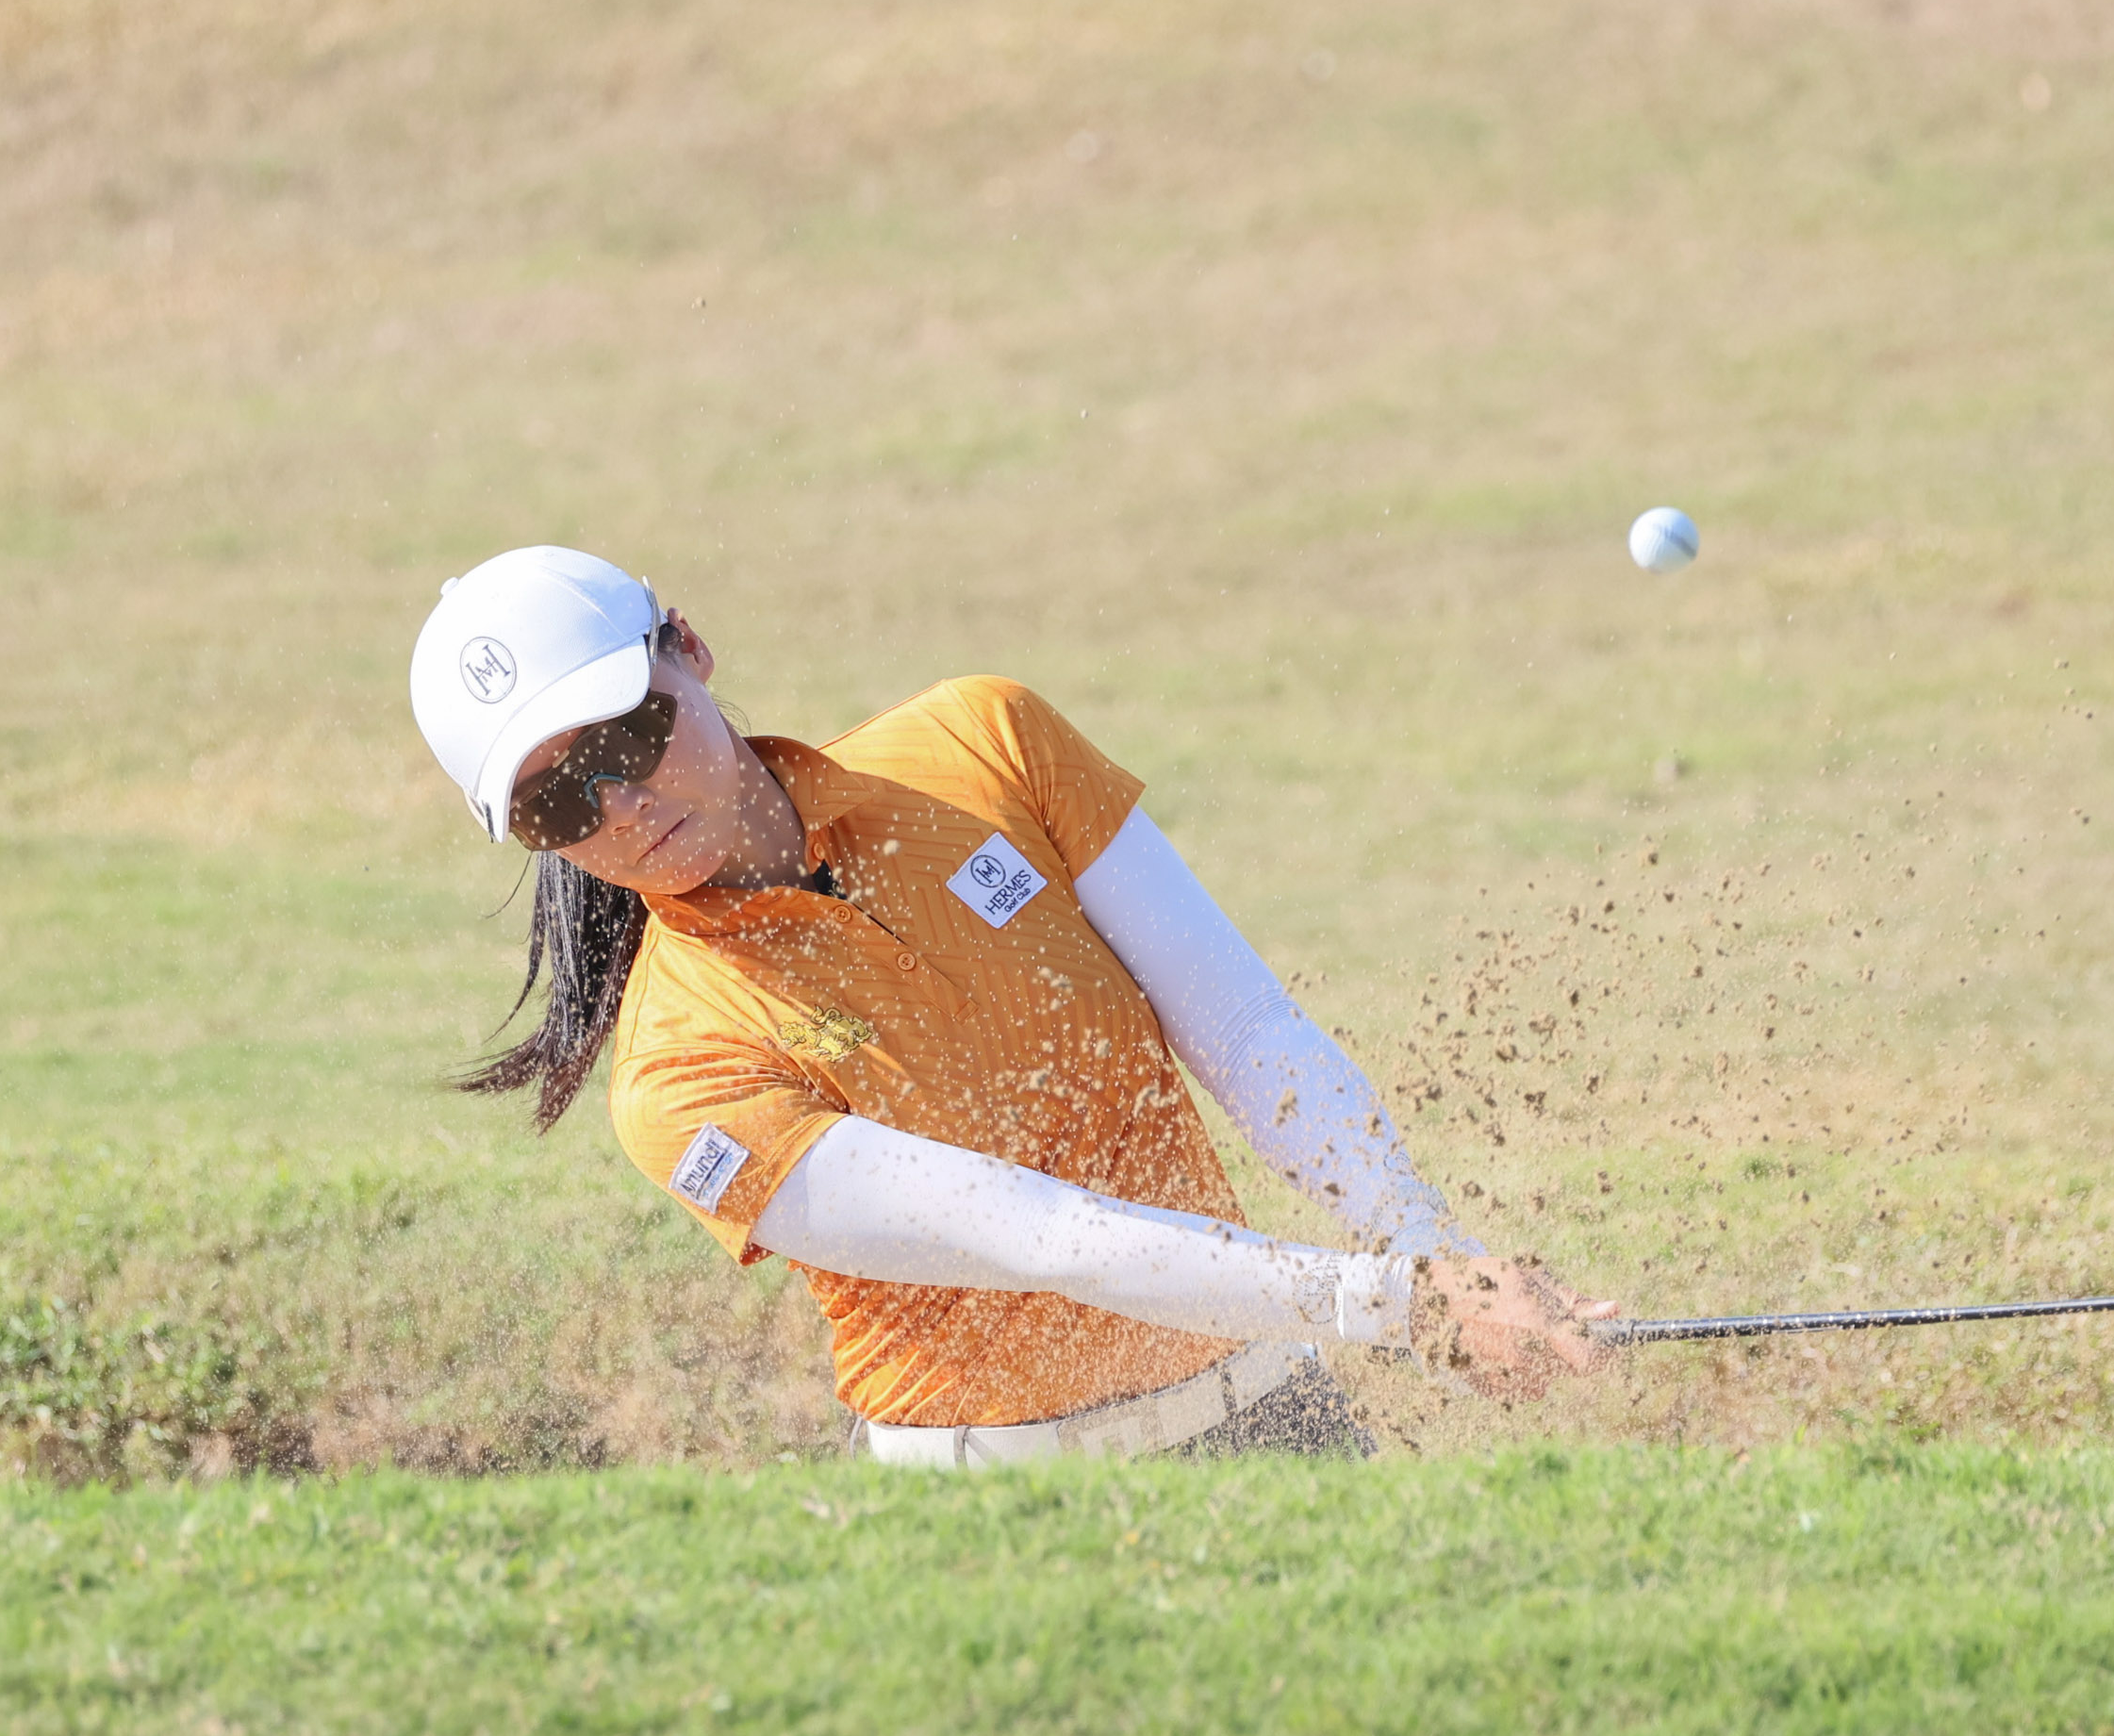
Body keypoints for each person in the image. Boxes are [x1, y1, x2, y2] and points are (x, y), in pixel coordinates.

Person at [408, 546, 1614, 1466]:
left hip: (1276, 1416)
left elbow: (1248, 1034)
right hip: (1010, 1504)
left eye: (632, 730)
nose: (619, 801)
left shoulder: (985, 741)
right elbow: (1038, 1235)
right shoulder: (678, 1081)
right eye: (557, 802)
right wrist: (1402, 1305)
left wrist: (1438, 1254)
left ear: (691, 647)